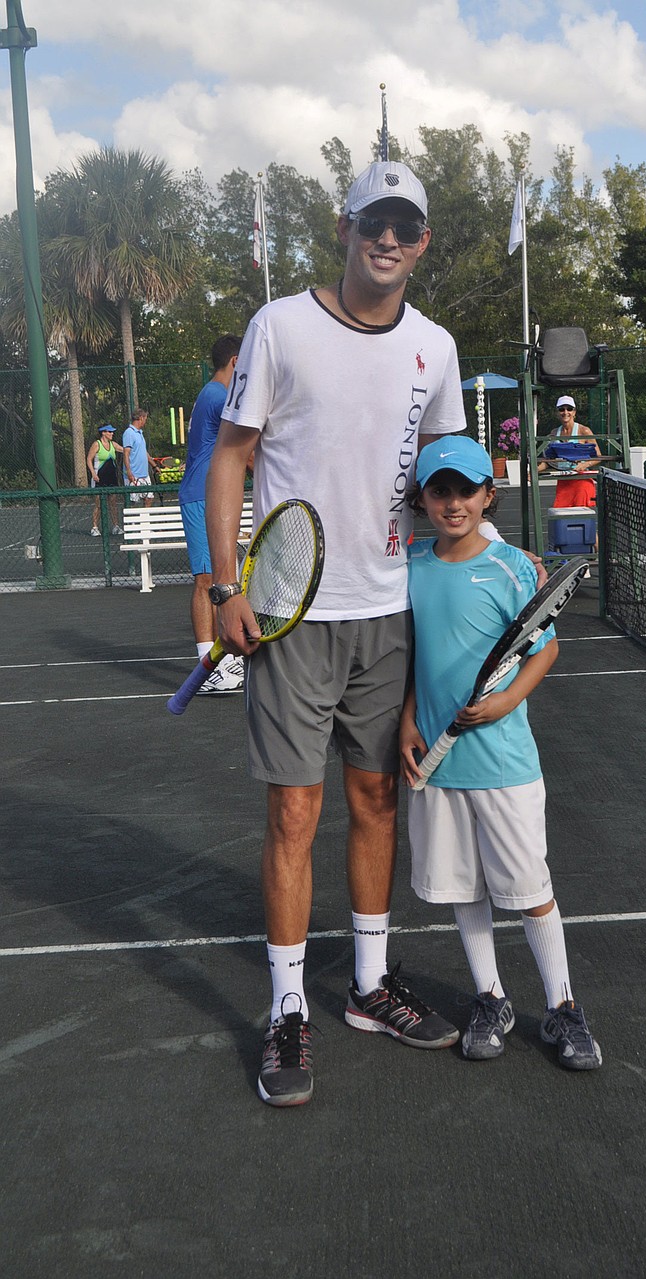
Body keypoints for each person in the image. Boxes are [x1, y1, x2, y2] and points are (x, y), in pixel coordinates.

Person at [205, 160, 468, 1108]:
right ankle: (286, 1008)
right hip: (291, 618)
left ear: (422, 241)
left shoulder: (435, 349)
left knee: (375, 805)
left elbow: (445, 481)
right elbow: (230, 457)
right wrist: (224, 583)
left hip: (389, 613)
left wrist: (460, 595)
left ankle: (366, 987)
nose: (388, 238)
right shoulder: (280, 326)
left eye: (406, 225)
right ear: (346, 225)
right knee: (292, 815)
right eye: (374, 221)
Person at [400, 436, 602, 1071]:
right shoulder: (410, 565)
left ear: (488, 496)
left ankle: (563, 1008)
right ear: (423, 499)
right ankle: (491, 998)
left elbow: (544, 650)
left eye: (466, 490)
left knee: (530, 889)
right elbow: (414, 659)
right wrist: (408, 720)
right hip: (438, 760)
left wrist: (504, 702)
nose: (453, 503)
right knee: (465, 888)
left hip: (505, 765)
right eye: (441, 491)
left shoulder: (513, 568)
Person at [178, 335, 245, 695]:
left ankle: (224, 658)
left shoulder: (214, 394)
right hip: (201, 497)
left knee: (222, 579)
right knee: (208, 581)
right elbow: (246, 453)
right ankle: (210, 666)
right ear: (235, 362)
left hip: (212, 496)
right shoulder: (220, 396)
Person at [539, 395, 602, 509]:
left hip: (581, 481)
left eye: (569, 409)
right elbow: (550, 461)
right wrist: (534, 471)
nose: (565, 412)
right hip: (563, 483)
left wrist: (585, 464)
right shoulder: (554, 433)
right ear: (557, 413)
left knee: (581, 519)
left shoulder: (584, 431)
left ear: (574, 412)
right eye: (561, 409)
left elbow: (598, 456)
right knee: (560, 518)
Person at [87, 424, 125, 536]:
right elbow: (89, 459)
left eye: (112, 432)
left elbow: (125, 450)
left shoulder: (113, 444)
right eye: (110, 432)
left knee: (113, 503)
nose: (112, 433)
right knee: (98, 504)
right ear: (103, 432)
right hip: (99, 477)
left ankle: (116, 526)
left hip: (111, 478)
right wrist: (93, 474)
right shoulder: (96, 444)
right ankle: (94, 527)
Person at [122, 408, 160, 506]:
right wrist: (129, 471)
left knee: (149, 498)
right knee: (133, 502)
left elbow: (144, 452)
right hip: (134, 475)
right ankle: (133, 521)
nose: (145, 421)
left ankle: (144, 520)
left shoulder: (140, 433)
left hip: (144, 474)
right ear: (141, 418)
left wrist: (154, 466)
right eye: (145, 418)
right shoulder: (129, 433)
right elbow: (126, 453)